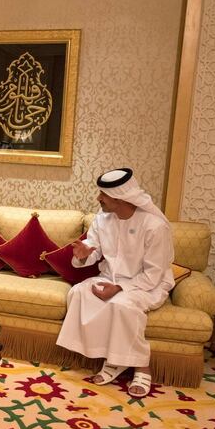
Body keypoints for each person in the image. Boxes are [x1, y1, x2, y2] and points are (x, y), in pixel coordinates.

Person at [56, 168, 174, 398]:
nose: (99, 199)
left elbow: (154, 274)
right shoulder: (102, 220)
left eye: (103, 195)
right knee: (79, 293)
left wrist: (119, 288)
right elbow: (93, 251)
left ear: (121, 198)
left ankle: (141, 366)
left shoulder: (154, 226)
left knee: (122, 305)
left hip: (146, 284)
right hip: (109, 278)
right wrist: (82, 256)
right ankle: (115, 358)